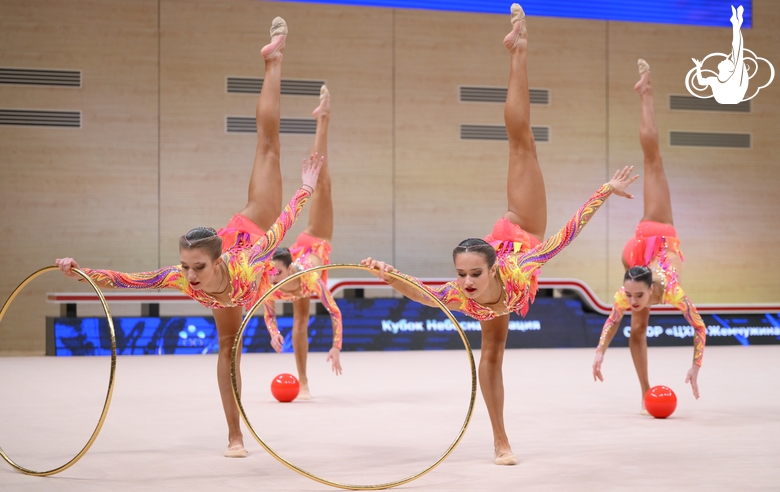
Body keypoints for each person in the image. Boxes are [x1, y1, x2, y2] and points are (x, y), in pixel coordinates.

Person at [361, 4, 637, 466]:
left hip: (523, 225)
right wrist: (390, 275)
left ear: (491, 268)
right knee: (491, 353)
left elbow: (567, 234)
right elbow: (423, 295)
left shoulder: (520, 266)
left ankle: (519, 49)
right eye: (462, 275)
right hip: (501, 292)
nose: (466, 282)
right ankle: (500, 439)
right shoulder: (460, 292)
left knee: (521, 140)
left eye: (474, 274)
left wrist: (605, 190)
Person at [55, 17, 323, 458]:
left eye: (197, 267)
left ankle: (274, 61)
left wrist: (306, 187)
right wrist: (80, 271)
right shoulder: (183, 276)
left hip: (255, 223)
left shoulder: (246, 260)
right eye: (185, 266)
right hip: (230, 289)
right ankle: (235, 436)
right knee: (228, 349)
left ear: (217, 262)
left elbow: (282, 226)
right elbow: (127, 280)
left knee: (268, 145)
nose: (190, 275)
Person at [592, 59, 706, 412]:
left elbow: (700, 328)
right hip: (646, 246)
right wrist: (599, 353)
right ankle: (646, 390)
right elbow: (612, 322)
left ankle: (647, 92)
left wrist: (695, 368)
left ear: (648, 291)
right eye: (629, 295)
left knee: (652, 160)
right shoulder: (631, 293)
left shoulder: (671, 289)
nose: (631, 301)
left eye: (636, 296)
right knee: (636, 328)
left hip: (649, 237)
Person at [265, 85, 343, 400]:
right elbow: (269, 315)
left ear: (288, 270)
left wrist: (336, 347)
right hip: (298, 265)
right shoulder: (272, 285)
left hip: (314, 242)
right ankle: (303, 381)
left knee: (323, 182)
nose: (271, 279)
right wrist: (273, 334)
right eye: (271, 275)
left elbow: (335, 312)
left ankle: (323, 118)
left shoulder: (310, 279)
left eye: (276, 274)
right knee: (299, 322)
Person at [691, 5, 748, 104]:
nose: (725, 59)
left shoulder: (731, 78)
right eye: (727, 60)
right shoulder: (717, 80)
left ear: (728, 69)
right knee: (737, 51)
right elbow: (701, 82)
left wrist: (698, 67)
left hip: (732, 96)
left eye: (726, 61)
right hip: (729, 97)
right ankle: (736, 24)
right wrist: (698, 67)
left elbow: (737, 47)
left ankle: (736, 23)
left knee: (737, 50)